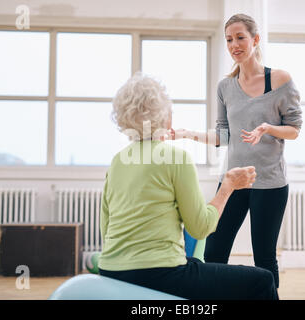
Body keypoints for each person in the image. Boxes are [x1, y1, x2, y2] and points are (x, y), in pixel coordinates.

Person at [98, 73, 278, 300]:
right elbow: (200, 228)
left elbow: (106, 228)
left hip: (111, 271)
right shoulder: (175, 157)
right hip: (158, 274)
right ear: (166, 118)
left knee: (193, 263)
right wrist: (228, 186)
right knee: (263, 280)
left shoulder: (118, 160)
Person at [169, 13, 303, 288]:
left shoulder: (279, 80)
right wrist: (187, 134)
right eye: (229, 39)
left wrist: (268, 128)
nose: (234, 45)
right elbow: (223, 135)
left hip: (270, 183)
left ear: (255, 39)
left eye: (240, 37)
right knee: (214, 252)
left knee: (264, 257)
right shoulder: (225, 87)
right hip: (234, 181)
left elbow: (295, 129)